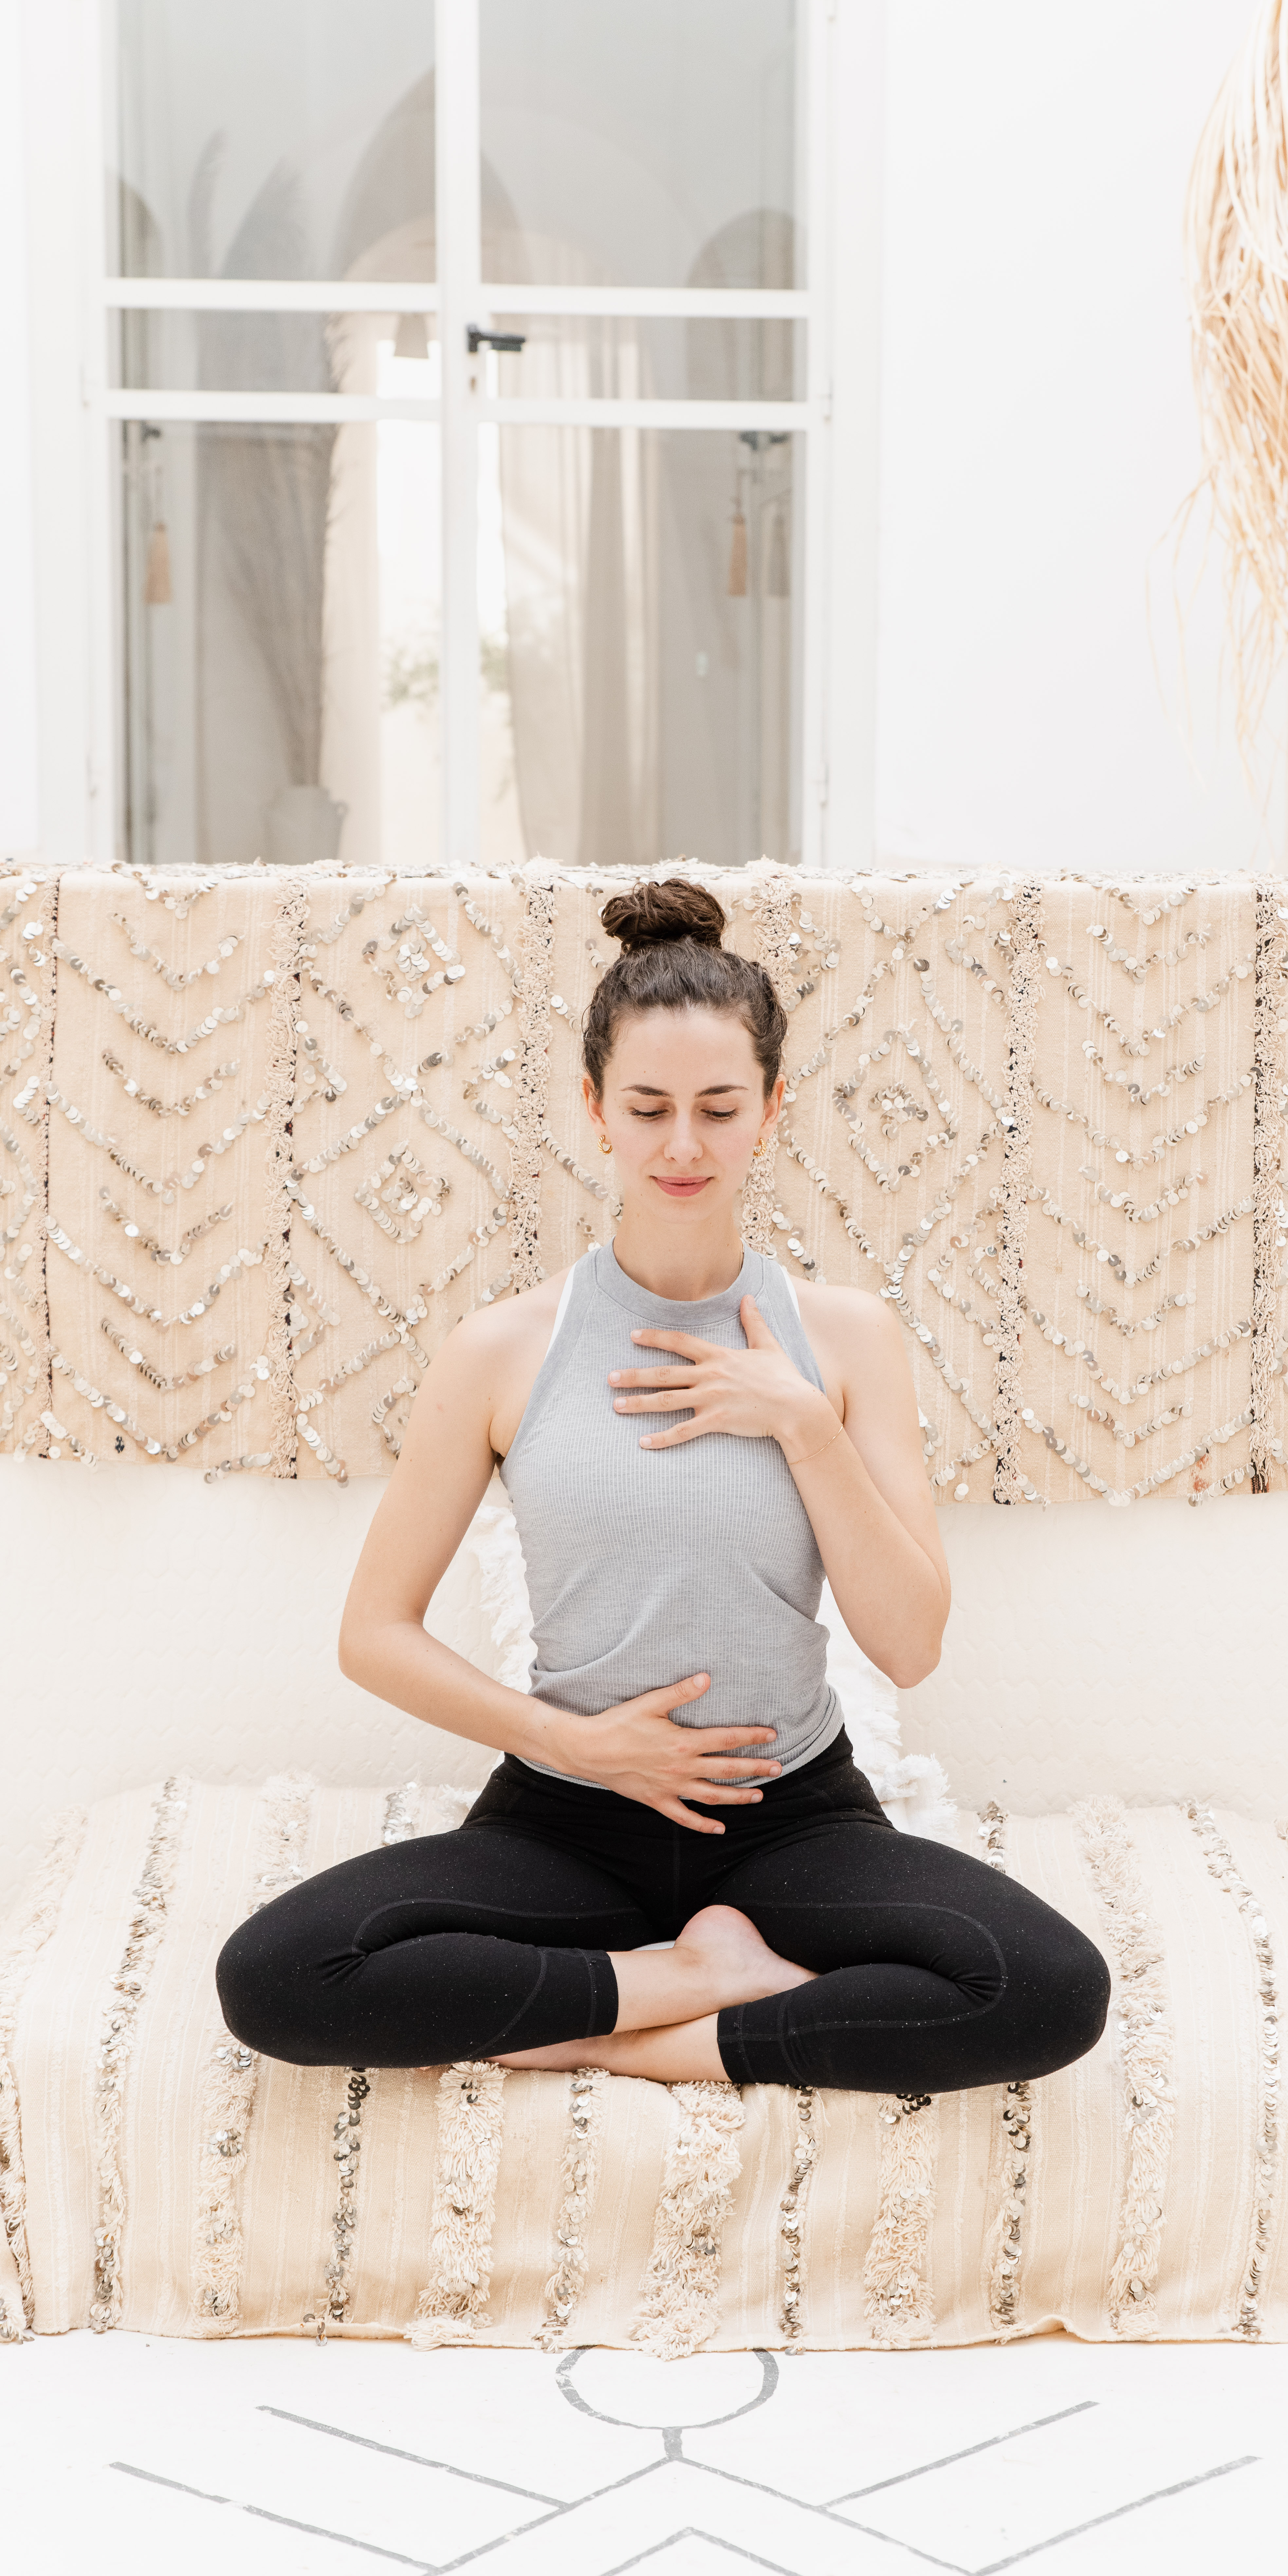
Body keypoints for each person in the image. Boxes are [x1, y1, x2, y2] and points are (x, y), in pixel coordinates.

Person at [217, 879, 1110, 2092]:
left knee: (1050, 1988)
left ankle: (619, 2043)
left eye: (717, 1107)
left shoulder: (846, 1341)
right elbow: (373, 1634)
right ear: (595, 1112)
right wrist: (576, 1745)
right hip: (567, 1819)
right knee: (279, 1973)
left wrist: (803, 1425)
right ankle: (688, 1983)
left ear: (769, 1112)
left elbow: (908, 1647)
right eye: (647, 1108)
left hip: (793, 1820)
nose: (682, 1145)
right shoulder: (504, 1347)